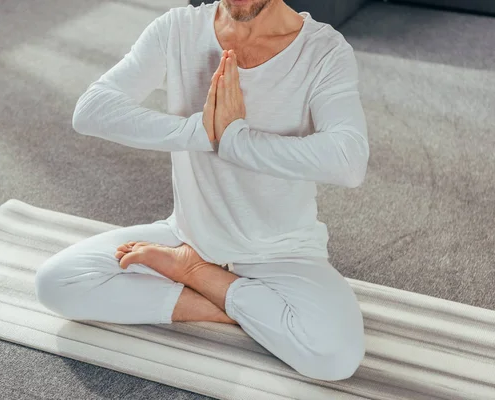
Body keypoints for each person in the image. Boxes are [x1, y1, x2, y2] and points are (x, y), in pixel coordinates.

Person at [35, 0, 369, 381]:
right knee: (55, 283)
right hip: (188, 235)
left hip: (282, 252)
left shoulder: (323, 50)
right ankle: (236, 302)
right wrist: (199, 132)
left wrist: (235, 141)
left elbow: (349, 159)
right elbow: (92, 109)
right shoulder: (177, 28)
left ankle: (195, 273)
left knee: (336, 357)